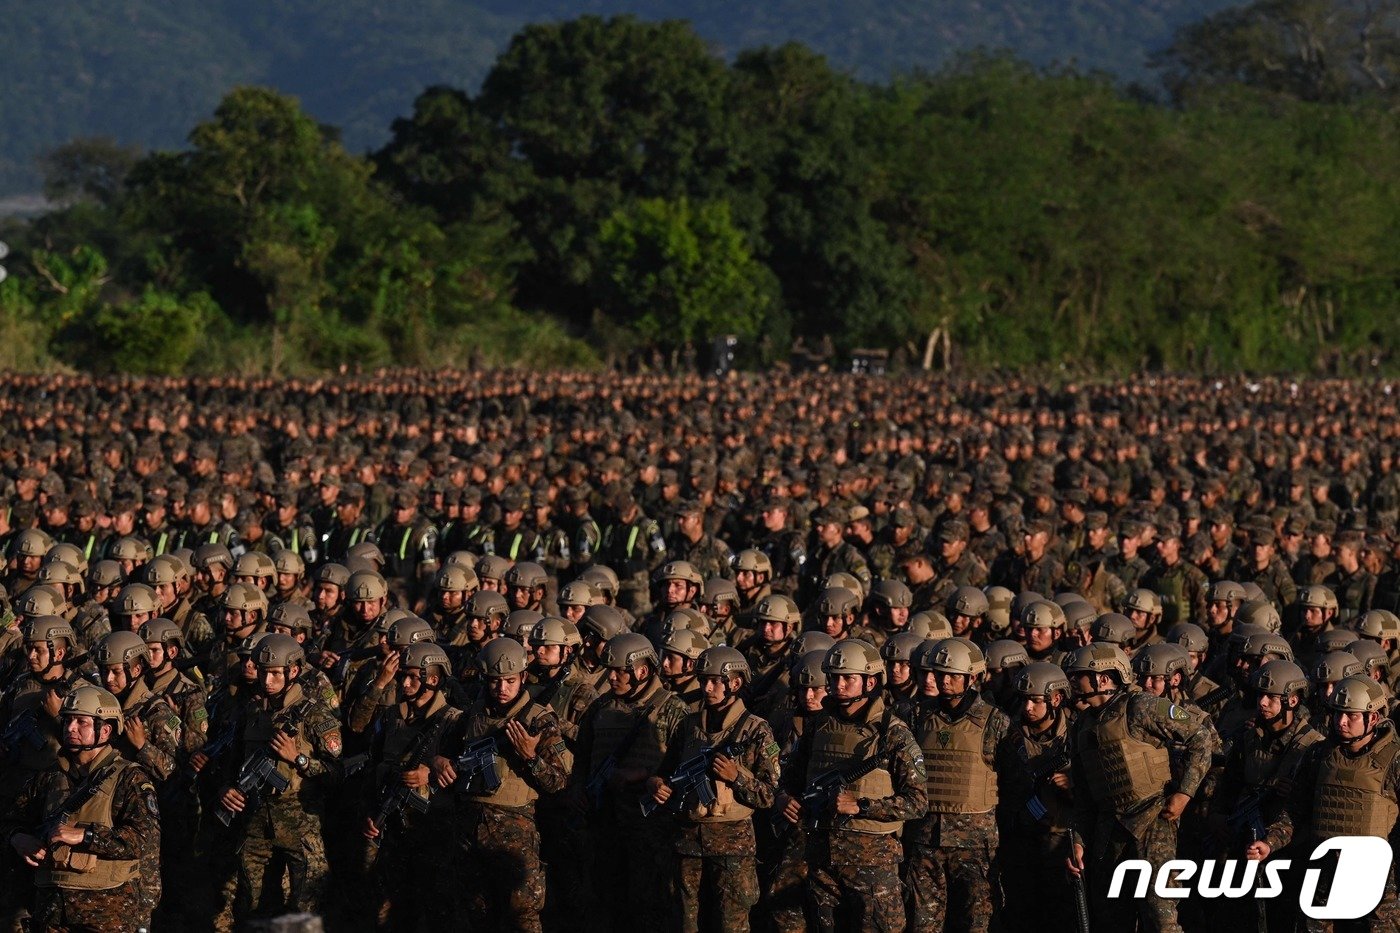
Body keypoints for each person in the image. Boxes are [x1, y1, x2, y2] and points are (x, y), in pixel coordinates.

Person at [776, 639, 927, 932]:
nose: (839, 684)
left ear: (870, 682)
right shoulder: (818, 726)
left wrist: (862, 806)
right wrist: (783, 797)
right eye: (833, 677)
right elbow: (790, 778)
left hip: (873, 866)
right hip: (822, 860)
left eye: (848, 677)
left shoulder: (892, 733)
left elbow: (917, 802)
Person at [1065, 643, 1213, 933]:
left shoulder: (1141, 705)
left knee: (1160, 917)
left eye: (1079, 676)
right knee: (1111, 918)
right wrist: (1079, 841)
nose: (1074, 683)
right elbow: (1083, 795)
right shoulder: (1081, 726)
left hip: (1152, 821)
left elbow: (1200, 736)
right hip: (1109, 830)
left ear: (1103, 678)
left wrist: (1184, 793)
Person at [2, 684, 162, 932]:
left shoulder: (130, 779)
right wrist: (17, 837)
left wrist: (86, 835)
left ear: (106, 729)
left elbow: (143, 840)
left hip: (108, 915)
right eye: (67, 721)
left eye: (81, 722)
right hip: (52, 912)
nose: (70, 728)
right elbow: (11, 818)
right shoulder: (48, 777)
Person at [1248, 675, 1400, 928]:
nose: (1340, 722)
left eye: (1351, 716)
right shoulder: (1319, 755)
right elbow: (1296, 809)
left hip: (1378, 877)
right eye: (1337, 713)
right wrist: (1270, 843)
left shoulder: (1393, 759)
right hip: (1325, 869)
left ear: (1372, 718)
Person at [216, 633, 343, 929]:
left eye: (275, 673)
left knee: (305, 908)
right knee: (251, 903)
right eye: (263, 672)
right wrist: (226, 788)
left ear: (293, 672)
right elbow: (231, 762)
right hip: (256, 818)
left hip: (300, 818)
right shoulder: (252, 712)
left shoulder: (315, 716)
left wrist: (298, 759)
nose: (268, 680)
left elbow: (337, 774)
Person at [648, 646, 779, 933]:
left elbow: (769, 795)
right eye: (703, 679)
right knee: (684, 923)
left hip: (733, 845)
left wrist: (736, 777)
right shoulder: (687, 725)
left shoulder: (757, 730)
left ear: (735, 683)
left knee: (731, 924)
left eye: (714, 681)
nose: (706, 687)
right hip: (686, 842)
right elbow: (664, 773)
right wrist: (658, 785)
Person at [570, 632, 690, 931]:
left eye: (618, 671)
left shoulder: (673, 710)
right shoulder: (600, 709)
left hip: (649, 827)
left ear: (642, 671)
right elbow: (581, 758)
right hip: (604, 822)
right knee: (602, 902)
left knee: (648, 905)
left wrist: (648, 777)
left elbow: (686, 767)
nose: (610, 678)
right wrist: (577, 789)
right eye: (608, 670)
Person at [904, 637, 1010, 933]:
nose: (945, 680)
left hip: (976, 844)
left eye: (953, 675)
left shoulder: (995, 721)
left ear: (971, 678)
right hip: (925, 839)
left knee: (976, 923)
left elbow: (1014, 782)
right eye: (940, 674)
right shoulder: (915, 716)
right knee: (922, 924)